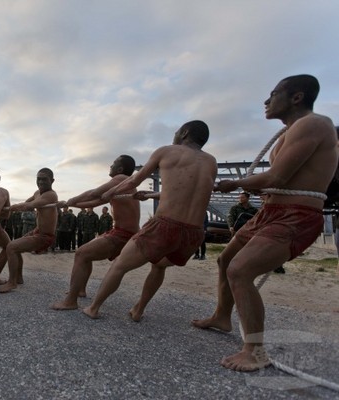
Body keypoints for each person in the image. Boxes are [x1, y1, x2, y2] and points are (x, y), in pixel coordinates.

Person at [192, 75, 337, 372]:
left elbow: (276, 178)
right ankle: (222, 316)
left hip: (295, 215)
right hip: (268, 213)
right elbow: (274, 182)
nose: (266, 101)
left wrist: (236, 183)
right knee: (226, 260)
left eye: (273, 94)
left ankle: (255, 350)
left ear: (296, 97)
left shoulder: (315, 124)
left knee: (240, 270)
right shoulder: (289, 132)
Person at [81, 120, 217, 324]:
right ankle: (138, 310)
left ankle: (93, 307)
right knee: (160, 265)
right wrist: (153, 195)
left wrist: (111, 192)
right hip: (193, 233)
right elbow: (185, 192)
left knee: (119, 265)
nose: (175, 134)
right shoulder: (211, 162)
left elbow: (134, 180)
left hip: (166, 225)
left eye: (177, 130)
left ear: (185, 132)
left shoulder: (166, 151)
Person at [51, 155, 140, 310]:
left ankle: (70, 301)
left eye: (113, 163)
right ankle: (80, 290)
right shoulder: (120, 187)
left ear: (120, 169)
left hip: (123, 234)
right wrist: (69, 204)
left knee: (81, 253)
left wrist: (72, 199)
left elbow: (94, 193)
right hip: (122, 232)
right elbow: (95, 202)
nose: (110, 166)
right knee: (87, 254)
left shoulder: (121, 178)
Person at [0, 168, 59, 293]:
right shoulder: (37, 193)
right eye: (38, 179)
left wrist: (9, 209)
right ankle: (18, 278)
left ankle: (12, 282)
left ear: (52, 181)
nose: (40, 182)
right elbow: (26, 203)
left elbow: (28, 206)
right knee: (14, 247)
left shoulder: (51, 195)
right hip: (37, 231)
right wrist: (8, 207)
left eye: (44, 179)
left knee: (11, 247)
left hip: (45, 236)